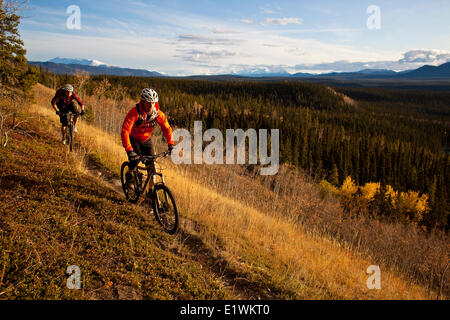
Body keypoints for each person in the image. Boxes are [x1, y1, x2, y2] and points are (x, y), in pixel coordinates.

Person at [121, 88, 174, 187]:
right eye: (148, 103)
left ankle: (151, 192)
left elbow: (167, 129)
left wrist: (171, 144)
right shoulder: (134, 113)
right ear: (143, 102)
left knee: (152, 166)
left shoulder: (158, 114)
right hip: (134, 139)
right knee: (135, 160)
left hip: (146, 140)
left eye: (153, 103)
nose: (151, 105)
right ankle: (129, 174)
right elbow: (125, 131)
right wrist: (129, 150)